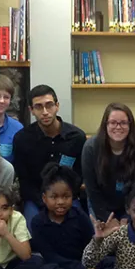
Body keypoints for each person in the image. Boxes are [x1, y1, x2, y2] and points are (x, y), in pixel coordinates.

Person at [13, 84, 86, 223]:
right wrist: (45, 202)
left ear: (57, 106)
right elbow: (24, 182)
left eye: (49, 105)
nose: (45, 112)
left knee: (79, 227)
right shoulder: (22, 139)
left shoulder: (77, 137)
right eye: (39, 107)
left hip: (67, 198)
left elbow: (79, 177)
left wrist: (63, 200)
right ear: (31, 110)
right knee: (31, 230)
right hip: (36, 200)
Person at [31, 163, 96, 269]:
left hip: (82, 262)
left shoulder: (79, 216)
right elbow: (50, 255)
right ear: (44, 198)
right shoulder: (38, 222)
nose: (60, 202)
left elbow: (90, 245)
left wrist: (89, 268)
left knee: (109, 266)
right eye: (54, 197)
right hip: (60, 266)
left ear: (72, 197)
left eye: (66, 197)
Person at [81, 103, 135, 221]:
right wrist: (107, 218)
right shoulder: (91, 148)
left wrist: (128, 216)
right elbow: (92, 190)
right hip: (100, 205)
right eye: (113, 123)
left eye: (123, 123)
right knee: (102, 237)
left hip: (134, 206)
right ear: (105, 125)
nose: (118, 127)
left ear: (131, 125)